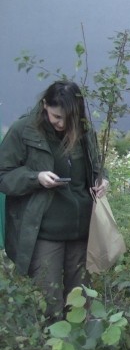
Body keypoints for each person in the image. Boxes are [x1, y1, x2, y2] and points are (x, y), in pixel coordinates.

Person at [0, 80, 108, 322]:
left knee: (80, 303)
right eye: (56, 116)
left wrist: (102, 180)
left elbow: (96, 166)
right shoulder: (23, 131)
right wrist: (35, 177)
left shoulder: (83, 130)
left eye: (68, 119)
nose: (61, 124)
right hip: (44, 232)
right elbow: (3, 175)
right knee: (49, 303)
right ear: (44, 105)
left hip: (81, 231)